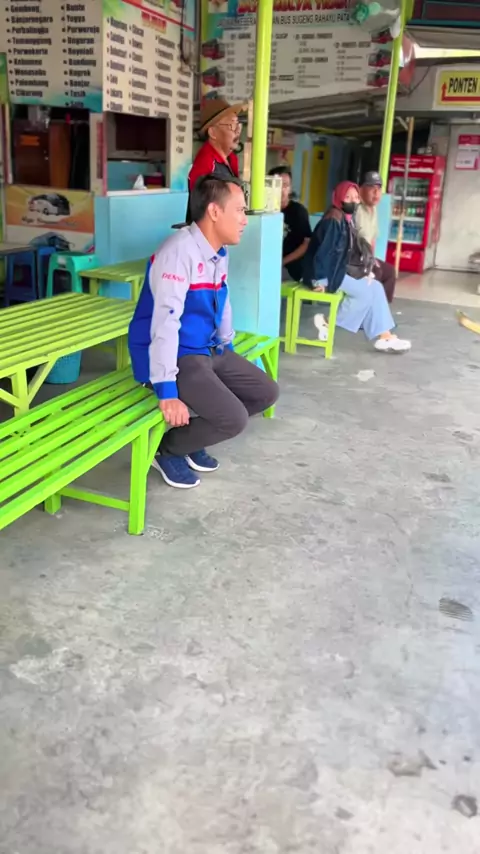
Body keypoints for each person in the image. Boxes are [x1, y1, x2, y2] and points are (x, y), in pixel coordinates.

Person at [128, 175, 279, 489]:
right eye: (239, 210)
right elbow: (165, 324)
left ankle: (191, 438)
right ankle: (166, 450)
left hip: (206, 349)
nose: (244, 220)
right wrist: (166, 392)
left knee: (266, 393)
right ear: (214, 211)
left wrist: (227, 348)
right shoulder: (177, 253)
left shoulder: (217, 251)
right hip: (174, 355)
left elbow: (222, 301)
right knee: (234, 419)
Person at [302, 181, 411, 354]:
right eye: (347, 197)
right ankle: (327, 322)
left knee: (375, 287)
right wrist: (320, 281)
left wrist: (364, 271)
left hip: (336, 270)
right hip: (323, 274)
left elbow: (350, 251)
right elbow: (323, 253)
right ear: (338, 198)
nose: (352, 201)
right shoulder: (333, 219)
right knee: (365, 293)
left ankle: (385, 336)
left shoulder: (347, 219)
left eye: (355, 197)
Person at [186, 99, 245, 223]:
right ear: (213, 133)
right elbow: (203, 214)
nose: (237, 132)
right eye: (232, 126)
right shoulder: (206, 163)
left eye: (238, 125)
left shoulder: (231, 159)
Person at [356, 170, 396, 303]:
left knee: (389, 271)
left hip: (366, 257)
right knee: (376, 273)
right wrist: (368, 262)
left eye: (378, 189)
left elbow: (372, 239)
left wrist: (372, 259)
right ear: (361, 189)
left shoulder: (373, 209)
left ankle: (381, 308)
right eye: (372, 188)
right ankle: (368, 308)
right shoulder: (356, 209)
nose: (376, 193)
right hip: (354, 259)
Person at [269, 165, 311, 282]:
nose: (282, 190)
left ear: (290, 188)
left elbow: (307, 243)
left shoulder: (298, 211)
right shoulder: (265, 212)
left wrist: (282, 262)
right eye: (278, 185)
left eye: (285, 185)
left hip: (289, 269)